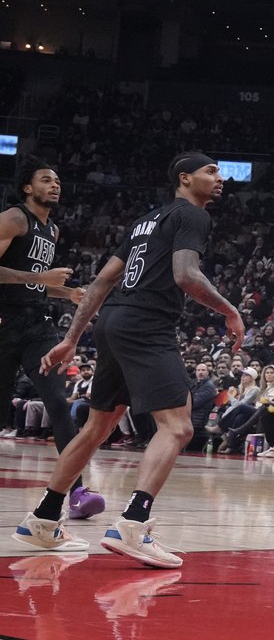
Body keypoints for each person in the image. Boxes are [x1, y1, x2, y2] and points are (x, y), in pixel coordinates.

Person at [14, 153, 244, 568]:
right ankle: (133, 524)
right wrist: (229, 310)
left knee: (97, 426)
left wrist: (71, 338)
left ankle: (43, 519)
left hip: (114, 320)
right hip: (146, 324)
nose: (219, 177)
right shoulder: (192, 216)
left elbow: (102, 280)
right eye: (211, 171)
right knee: (177, 427)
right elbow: (185, 275)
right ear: (184, 177)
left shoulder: (145, 221)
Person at [0, 158, 104, 519]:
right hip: (5, 321)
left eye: (57, 180)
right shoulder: (13, 218)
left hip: (39, 327)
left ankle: (74, 492)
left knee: (59, 403)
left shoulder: (53, 231)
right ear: (28, 188)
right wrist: (44, 281)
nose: (55, 185)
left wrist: (68, 293)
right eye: (46, 180)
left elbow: (35, 281)